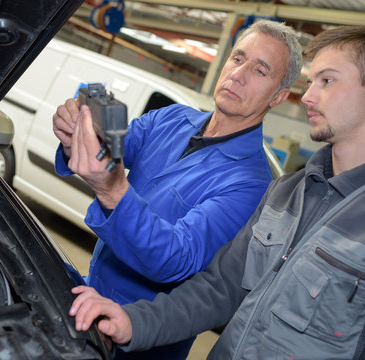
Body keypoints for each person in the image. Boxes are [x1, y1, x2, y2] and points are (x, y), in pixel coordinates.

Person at [68, 25, 365, 359]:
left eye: (326, 81)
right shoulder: (288, 192)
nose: (307, 98)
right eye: (311, 82)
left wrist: (115, 190)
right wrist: (135, 322)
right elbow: (220, 289)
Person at [52, 19, 302, 359]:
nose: (238, 74)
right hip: (91, 294)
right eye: (238, 58)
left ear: (279, 96)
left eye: (260, 71)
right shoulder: (171, 118)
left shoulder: (252, 185)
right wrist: (75, 138)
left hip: (143, 338)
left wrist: (112, 190)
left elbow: (176, 258)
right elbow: (114, 147)